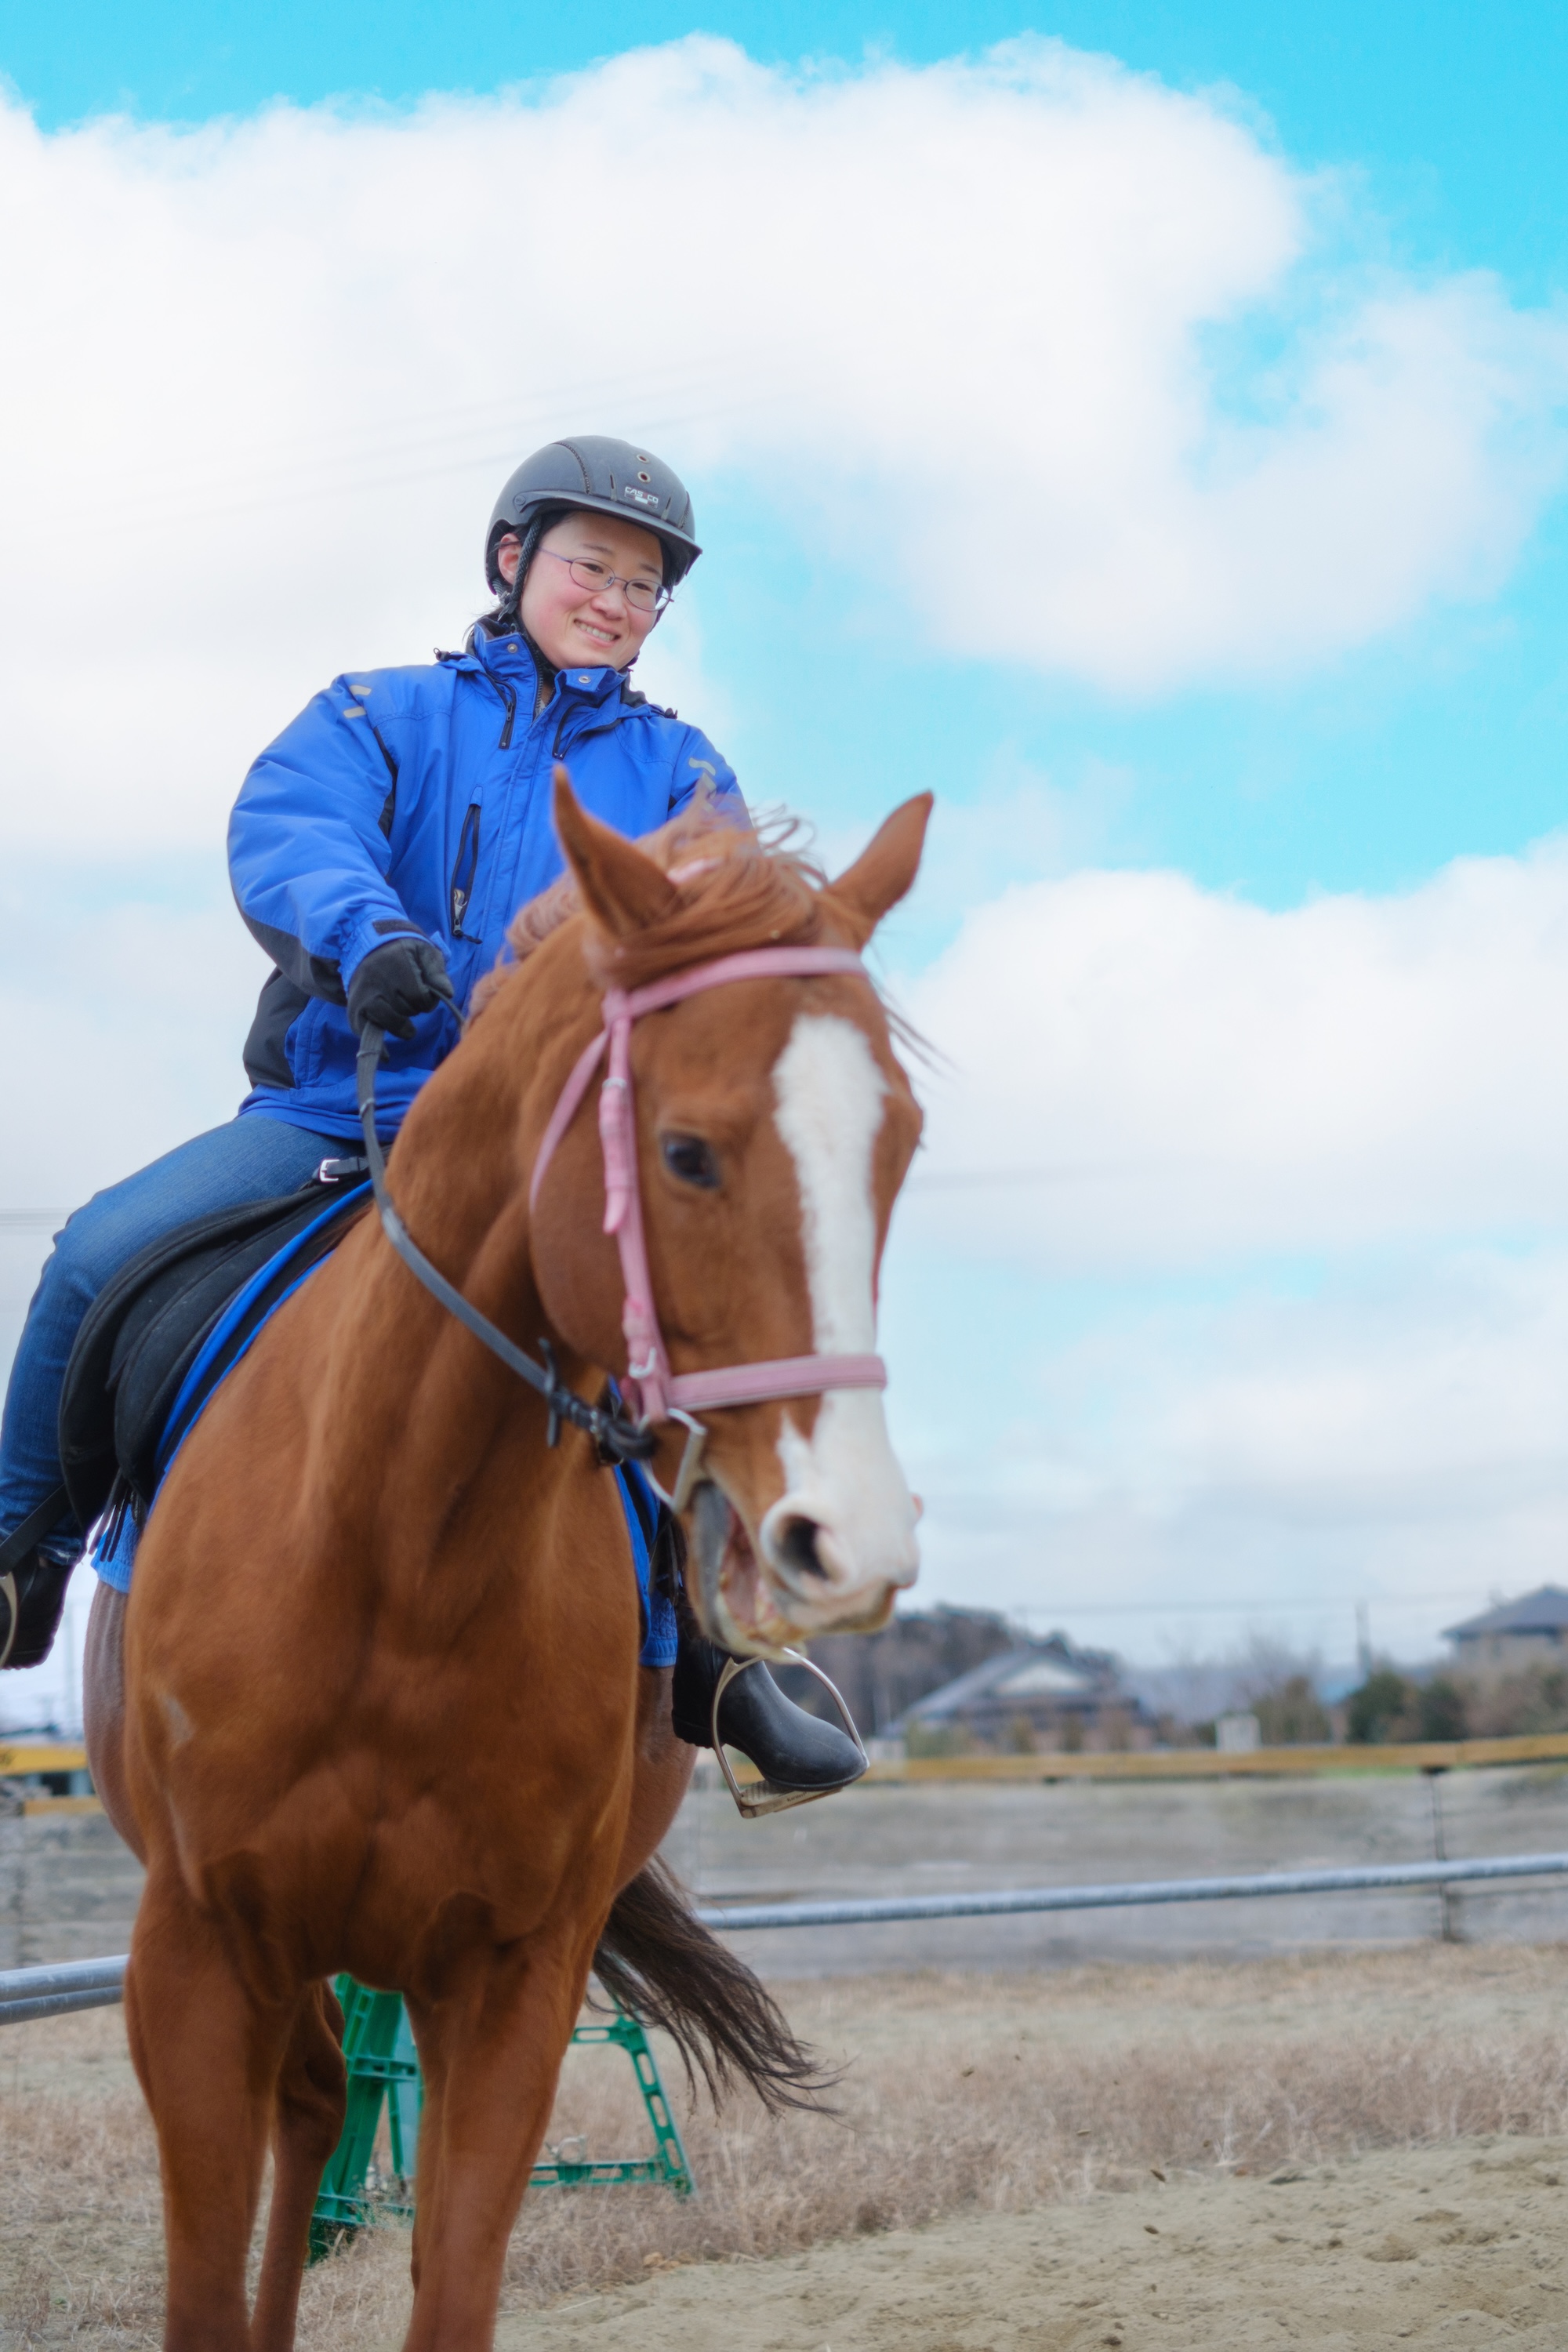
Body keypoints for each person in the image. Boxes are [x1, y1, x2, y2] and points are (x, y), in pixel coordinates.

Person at [0, 436, 863, 1796]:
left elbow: (721, 937)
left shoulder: (683, 771)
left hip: (550, 1140)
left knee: (680, 1345)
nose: (618, 601)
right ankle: (20, 1558)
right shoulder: (379, 712)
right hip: (343, 1103)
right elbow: (293, 827)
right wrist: (366, 938)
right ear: (513, 559)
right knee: (98, 1253)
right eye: (593, 567)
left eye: (646, 587)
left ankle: (720, 1654)